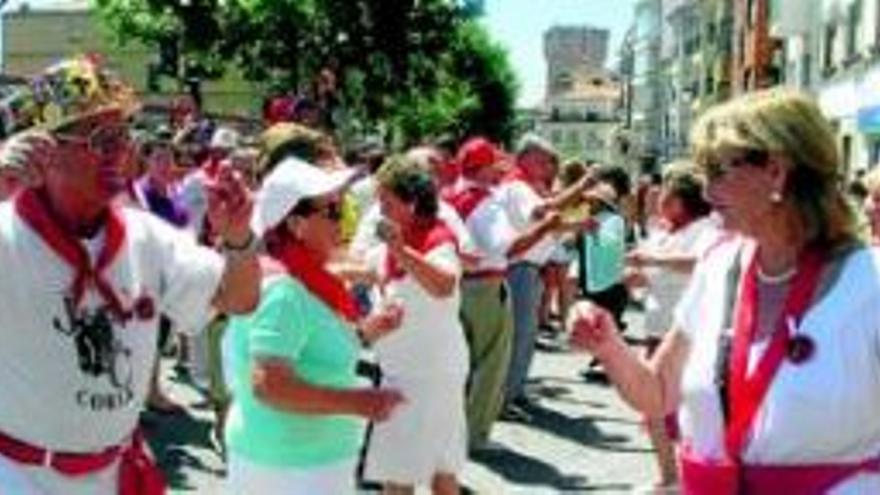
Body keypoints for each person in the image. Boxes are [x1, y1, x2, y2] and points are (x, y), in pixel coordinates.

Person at [568, 89, 880, 494]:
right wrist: (608, 345)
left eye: (718, 171)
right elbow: (658, 392)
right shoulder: (718, 265)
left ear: (776, 171)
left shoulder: (868, 283)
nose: (708, 193)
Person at [0, 55, 260, 494]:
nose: (122, 153)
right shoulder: (8, 234)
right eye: (102, 139)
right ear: (45, 150)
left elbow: (238, 299)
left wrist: (238, 239)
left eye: (124, 136)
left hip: (116, 474)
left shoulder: (147, 238)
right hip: (22, 479)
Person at [224, 154, 405, 495]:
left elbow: (311, 348)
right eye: (333, 211)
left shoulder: (306, 278)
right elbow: (269, 385)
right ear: (296, 225)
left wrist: (367, 332)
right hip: (287, 467)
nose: (344, 219)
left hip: (307, 461)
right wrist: (358, 402)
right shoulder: (284, 292)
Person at [363, 156, 469, 495]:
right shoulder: (395, 239)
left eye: (386, 202)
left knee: (427, 470)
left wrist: (401, 249)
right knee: (413, 469)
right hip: (404, 370)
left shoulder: (437, 237)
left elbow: (444, 285)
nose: (380, 209)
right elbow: (366, 268)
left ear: (411, 203)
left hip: (430, 373)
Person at [623, 161, 716, 491]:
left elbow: (700, 265)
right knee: (654, 411)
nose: (659, 198)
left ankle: (686, 477)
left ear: (682, 200)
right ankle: (669, 476)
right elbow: (653, 275)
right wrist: (639, 277)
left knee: (683, 410)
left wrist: (650, 262)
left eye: (666, 193)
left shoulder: (706, 229)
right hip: (656, 327)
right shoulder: (666, 232)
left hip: (685, 334)